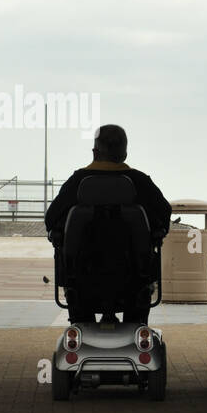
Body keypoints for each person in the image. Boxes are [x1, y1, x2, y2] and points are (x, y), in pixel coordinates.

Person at [45, 124, 171, 323]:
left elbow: (51, 219)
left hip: (81, 282)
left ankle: (82, 329)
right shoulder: (140, 182)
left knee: (79, 308)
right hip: (134, 282)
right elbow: (164, 216)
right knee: (138, 308)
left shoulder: (77, 181)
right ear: (125, 154)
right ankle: (136, 329)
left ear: (95, 152)